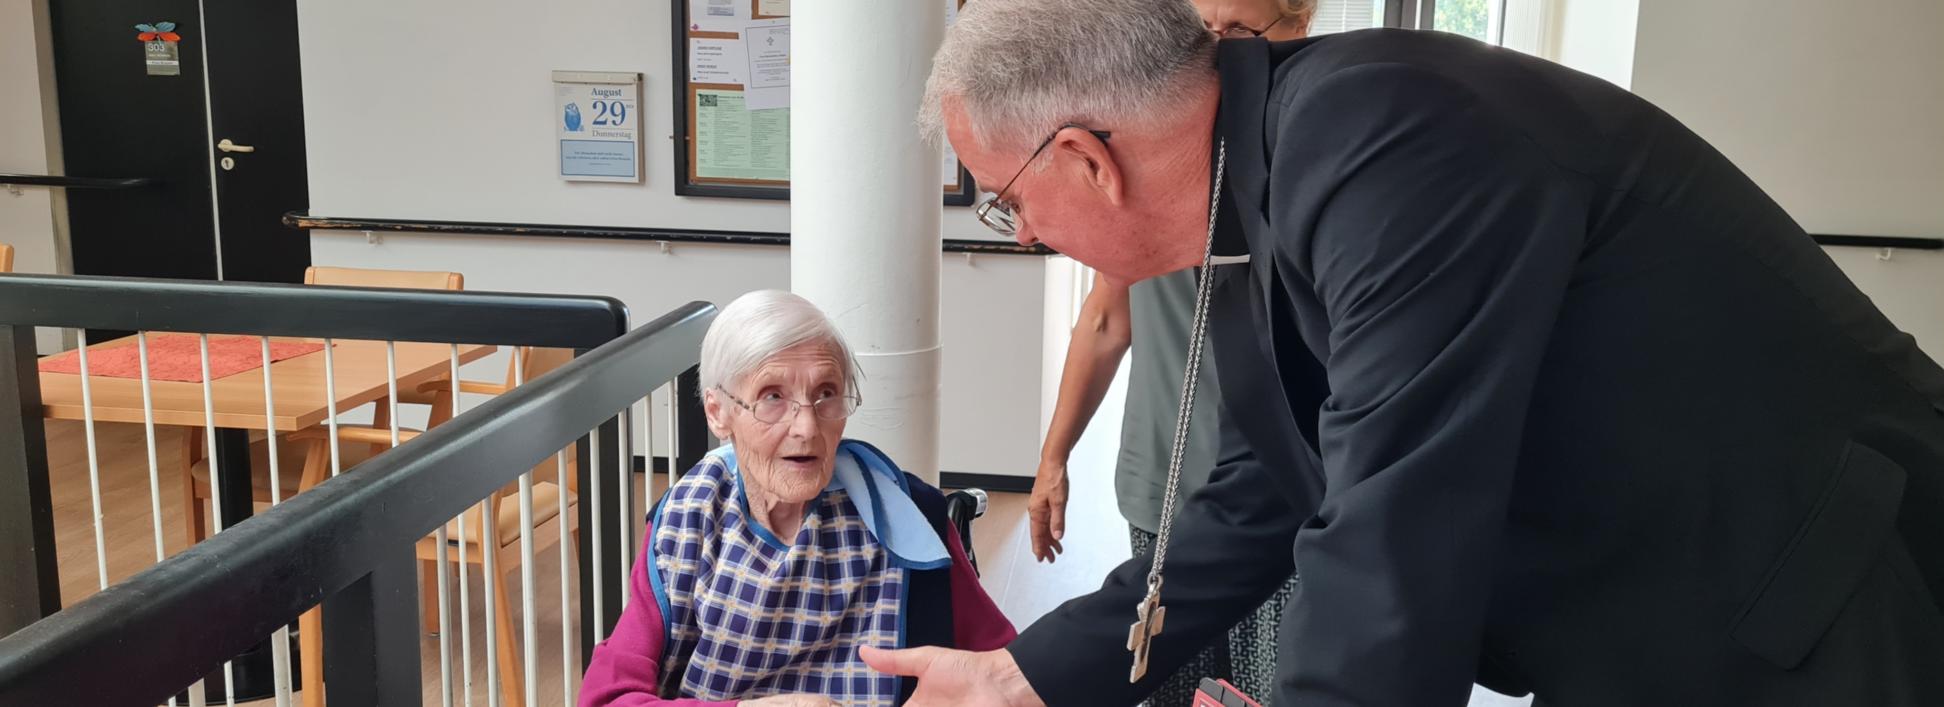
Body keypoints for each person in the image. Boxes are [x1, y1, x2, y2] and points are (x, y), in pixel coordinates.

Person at [861, 1, 1944, 705]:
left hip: (1804, 601)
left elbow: (1393, 532)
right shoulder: (1258, 180)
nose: (1031, 235)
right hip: (1648, 613)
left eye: (1008, 206)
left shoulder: (1390, 142)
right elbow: (1265, 492)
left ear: (1086, 159)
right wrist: (1024, 673)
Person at [1028, 3, 1312, 705]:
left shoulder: (1315, 153)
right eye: (1199, 27)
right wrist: (1053, 457)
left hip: (1286, 500)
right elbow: (1104, 320)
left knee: (1271, 689)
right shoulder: (1147, 151)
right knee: (1164, 684)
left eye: (1236, 29)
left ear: (1298, 18)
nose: (1212, 42)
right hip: (1164, 480)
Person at [580, 291, 1016, 707]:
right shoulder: (688, 518)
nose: (807, 428)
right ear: (718, 412)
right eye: (772, 397)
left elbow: (1004, 666)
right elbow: (606, 697)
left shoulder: (907, 515)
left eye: (826, 393)